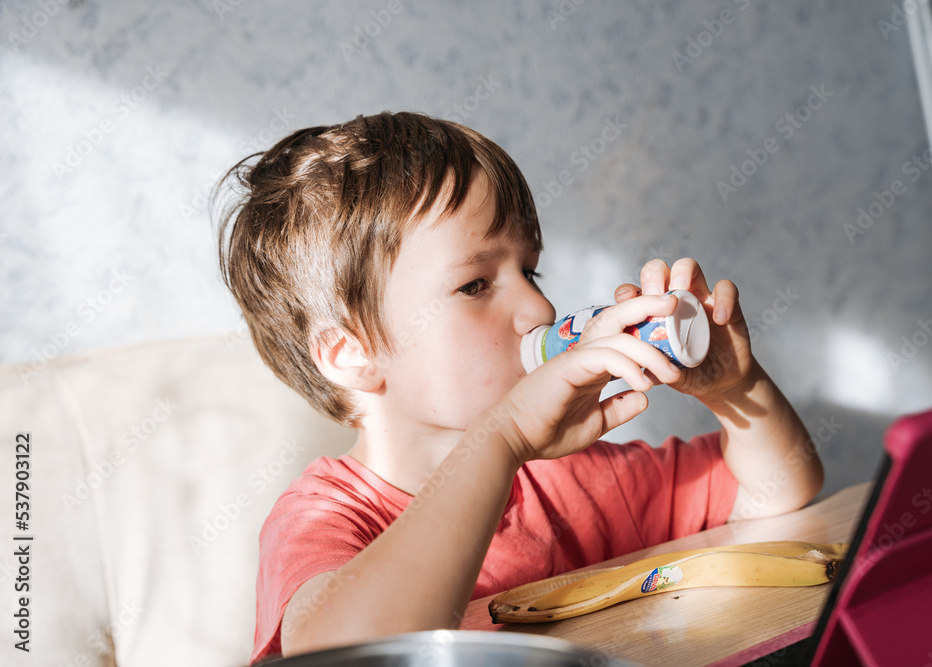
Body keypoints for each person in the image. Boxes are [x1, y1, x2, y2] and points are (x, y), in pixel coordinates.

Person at [215, 111, 824, 663]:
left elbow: (774, 489)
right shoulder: (325, 519)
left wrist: (735, 387)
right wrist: (501, 438)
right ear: (351, 353)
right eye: (476, 285)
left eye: (530, 269)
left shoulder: (568, 479)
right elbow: (356, 651)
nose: (538, 306)